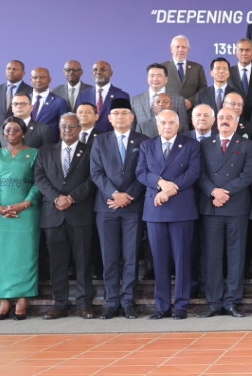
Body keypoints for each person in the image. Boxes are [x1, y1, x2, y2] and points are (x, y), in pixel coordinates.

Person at [138, 110, 202, 319]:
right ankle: (162, 307)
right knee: (159, 260)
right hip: (155, 209)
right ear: (157, 125)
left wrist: (169, 191)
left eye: (171, 122)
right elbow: (141, 172)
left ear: (178, 124)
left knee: (182, 259)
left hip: (181, 208)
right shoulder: (147, 145)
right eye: (163, 122)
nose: (167, 126)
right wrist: (160, 183)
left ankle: (181, 306)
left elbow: (193, 172)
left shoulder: (191, 145)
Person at [34, 114, 97, 318]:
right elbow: (39, 178)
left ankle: (84, 303)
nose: (67, 130)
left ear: (79, 129)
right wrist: (56, 198)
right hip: (53, 215)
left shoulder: (90, 150)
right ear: (59, 129)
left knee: (83, 261)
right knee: (57, 262)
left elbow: (92, 179)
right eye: (63, 127)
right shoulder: (45, 151)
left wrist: (71, 198)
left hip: (80, 214)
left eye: (71, 127)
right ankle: (59, 303)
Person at [89, 98, 146, 319]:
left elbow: (145, 171)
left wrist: (128, 196)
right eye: (116, 114)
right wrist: (114, 194)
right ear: (109, 118)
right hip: (107, 207)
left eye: (124, 113)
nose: (120, 117)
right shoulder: (100, 141)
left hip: (133, 206)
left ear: (132, 117)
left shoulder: (143, 141)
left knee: (131, 255)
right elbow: (96, 173)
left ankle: (128, 300)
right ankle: (111, 301)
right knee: (109, 256)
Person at [0, 117, 40, 320]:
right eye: (7, 130)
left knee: (24, 254)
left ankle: (22, 299)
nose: (11, 133)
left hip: (26, 212)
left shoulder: (34, 153)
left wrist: (25, 204)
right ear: (2, 133)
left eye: (16, 130)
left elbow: (39, 182)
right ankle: (3, 300)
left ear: (23, 132)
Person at [199, 108, 252, 317]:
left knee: (236, 256)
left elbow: (248, 174)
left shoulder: (246, 144)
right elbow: (200, 173)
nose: (225, 121)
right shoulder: (205, 144)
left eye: (229, 118)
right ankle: (214, 302)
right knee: (212, 257)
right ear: (216, 121)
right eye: (221, 117)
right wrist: (213, 191)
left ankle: (232, 300)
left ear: (236, 121)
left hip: (236, 206)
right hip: (211, 206)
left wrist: (225, 192)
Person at [161, 35, 205, 112]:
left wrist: (191, 101)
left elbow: (203, 89)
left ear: (188, 50)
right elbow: (158, 89)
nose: (180, 50)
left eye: (184, 47)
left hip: (191, 112)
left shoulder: (197, 67)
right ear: (171, 49)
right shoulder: (162, 67)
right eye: (177, 47)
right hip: (169, 111)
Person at [86, 60, 128, 133]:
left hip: (111, 138)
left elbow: (124, 122)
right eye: (95, 70)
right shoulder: (84, 95)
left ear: (111, 73)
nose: (98, 72)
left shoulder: (121, 95)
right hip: (87, 139)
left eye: (103, 69)